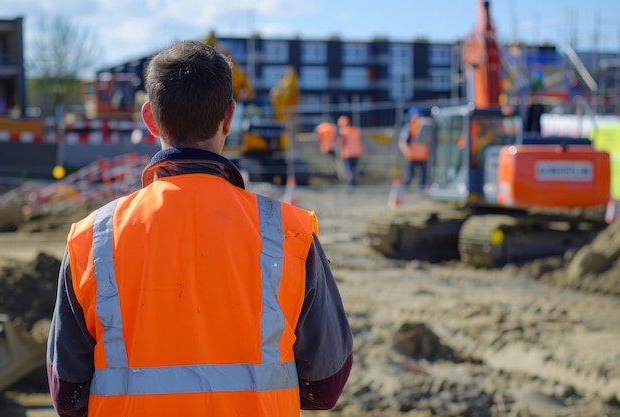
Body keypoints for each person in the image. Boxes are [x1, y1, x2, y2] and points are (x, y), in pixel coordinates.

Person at [47, 40, 353, 417]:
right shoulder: (289, 232)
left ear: (150, 119)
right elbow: (325, 385)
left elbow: (67, 395)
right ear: (229, 117)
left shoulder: (92, 239)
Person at [398, 109, 430, 191]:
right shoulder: (414, 127)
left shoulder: (414, 127)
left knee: (415, 175)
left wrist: (406, 151)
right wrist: (406, 150)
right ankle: (412, 188)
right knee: (414, 175)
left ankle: (412, 188)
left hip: (416, 155)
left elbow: (402, 141)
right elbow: (402, 141)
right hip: (417, 155)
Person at [336, 115, 363, 186]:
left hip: (347, 153)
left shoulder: (342, 132)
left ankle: (351, 182)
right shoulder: (356, 130)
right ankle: (353, 181)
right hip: (356, 152)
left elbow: (340, 142)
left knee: (349, 169)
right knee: (353, 168)